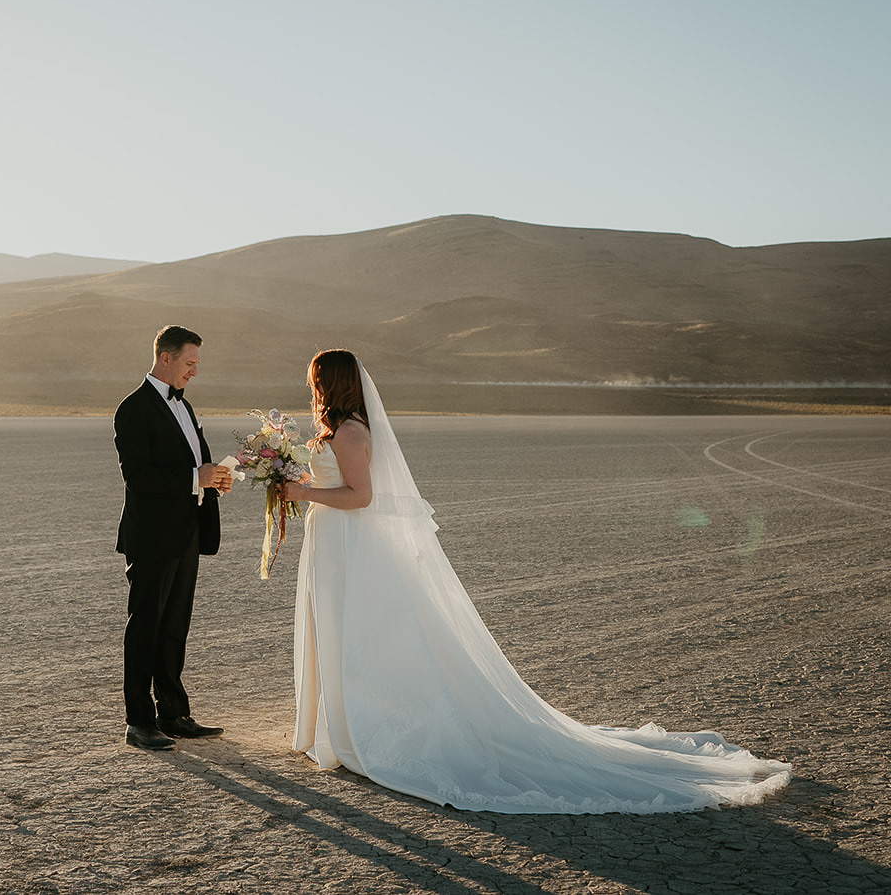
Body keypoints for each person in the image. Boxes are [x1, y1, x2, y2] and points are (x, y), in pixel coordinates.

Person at [279, 348, 792, 813]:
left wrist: (304, 494)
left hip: (353, 546)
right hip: (334, 546)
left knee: (363, 635)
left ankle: (360, 730)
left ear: (333, 383)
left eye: (315, 381)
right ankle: (339, 723)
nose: (311, 390)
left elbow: (362, 497)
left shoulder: (349, 433)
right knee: (341, 630)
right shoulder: (334, 431)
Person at [114, 325, 235, 751]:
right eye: (189, 363)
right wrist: (192, 477)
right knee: (145, 627)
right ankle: (139, 722)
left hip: (187, 532)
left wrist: (212, 479)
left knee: (174, 627)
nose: (194, 372)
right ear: (165, 358)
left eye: (197, 365)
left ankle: (174, 713)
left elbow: (193, 466)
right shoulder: (132, 409)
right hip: (150, 537)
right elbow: (138, 476)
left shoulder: (185, 407)